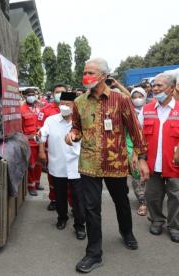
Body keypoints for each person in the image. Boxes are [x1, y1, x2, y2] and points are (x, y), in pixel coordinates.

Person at [66, 58, 149, 273]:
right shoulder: (79, 102)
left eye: (90, 72)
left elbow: (134, 129)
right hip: (89, 164)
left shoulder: (121, 100)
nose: (86, 76)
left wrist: (141, 158)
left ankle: (127, 231)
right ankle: (94, 253)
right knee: (91, 208)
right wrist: (73, 135)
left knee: (121, 201)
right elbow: (76, 127)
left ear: (103, 75)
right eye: (84, 72)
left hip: (116, 163)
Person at [38, 92, 86, 240]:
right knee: (60, 195)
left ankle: (79, 225)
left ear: (75, 106)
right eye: (62, 103)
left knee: (78, 198)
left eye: (68, 104)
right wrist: (41, 151)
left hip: (77, 167)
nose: (64, 106)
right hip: (57, 164)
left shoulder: (81, 121)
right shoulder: (51, 120)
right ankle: (62, 218)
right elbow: (42, 135)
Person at [143, 73, 179, 243]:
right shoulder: (147, 109)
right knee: (152, 195)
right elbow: (139, 137)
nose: (155, 89)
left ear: (172, 88)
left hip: (175, 164)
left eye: (160, 86)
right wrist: (140, 158)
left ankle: (175, 226)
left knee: (176, 197)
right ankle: (157, 220)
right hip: (152, 163)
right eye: (154, 85)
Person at [37, 84, 71, 210]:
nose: (60, 94)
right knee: (53, 177)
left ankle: (72, 202)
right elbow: (39, 131)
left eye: (63, 92)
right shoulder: (45, 111)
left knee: (71, 179)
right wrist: (41, 151)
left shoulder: (74, 109)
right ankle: (54, 199)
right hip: (52, 150)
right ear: (52, 93)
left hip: (70, 151)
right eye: (57, 92)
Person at [127, 87, 148, 216]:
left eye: (140, 96)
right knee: (137, 176)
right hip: (133, 148)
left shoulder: (151, 110)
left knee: (152, 177)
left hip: (152, 146)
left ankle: (153, 199)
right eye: (134, 97)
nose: (137, 99)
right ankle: (143, 202)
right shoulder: (129, 112)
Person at [20, 88, 40, 196]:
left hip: (40, 141)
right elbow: (20, 128)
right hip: (29, 142)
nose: (31, 96)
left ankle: (37, 183)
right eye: (29, 95)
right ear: (25, 96)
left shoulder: (38, 108)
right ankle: (31, 186)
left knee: (39, 164)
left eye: (33, 94)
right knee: (31, 165)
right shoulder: (21, 110)